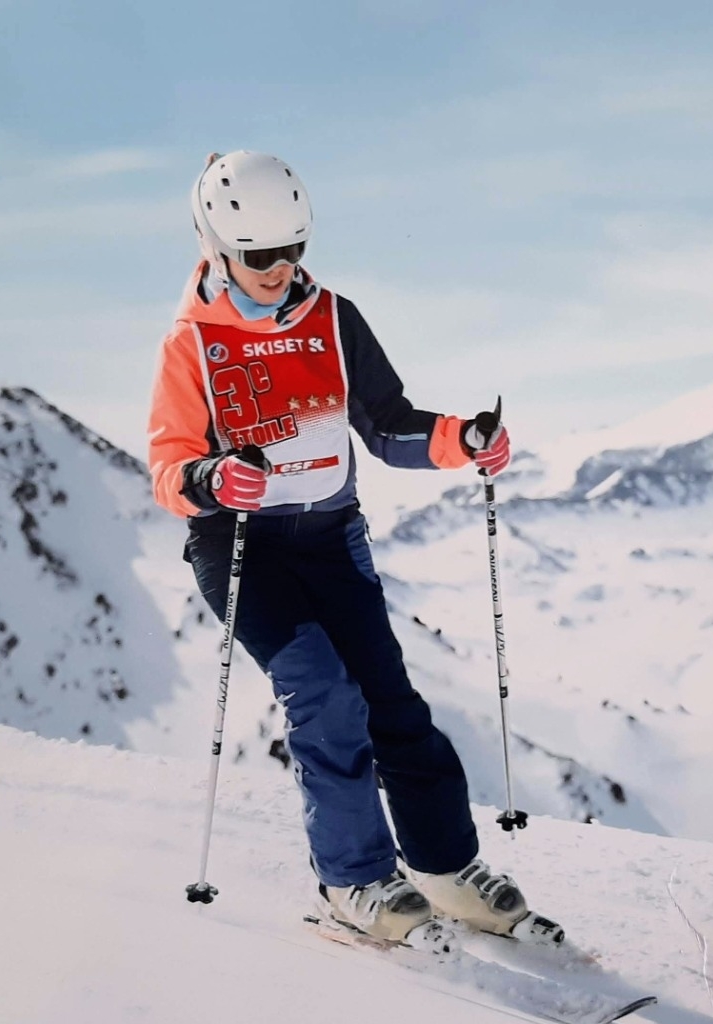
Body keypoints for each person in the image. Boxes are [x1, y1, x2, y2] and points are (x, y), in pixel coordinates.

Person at [147, 151, 541, 950]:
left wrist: (464, 440)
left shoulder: (334, 318)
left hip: (332, 538)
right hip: (242, 549)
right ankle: (354, 881)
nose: (278, 268)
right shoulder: (191, 343)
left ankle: (444, 869)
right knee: (325, 697)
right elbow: (168, 467)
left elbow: (388, 426)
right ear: (216, 246)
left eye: (293, 248)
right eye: (260, 254)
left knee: (392, 701)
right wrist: (213, 477)